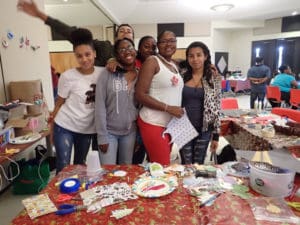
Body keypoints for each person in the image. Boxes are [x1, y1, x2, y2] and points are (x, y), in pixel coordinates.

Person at [49, 28, 103, 173]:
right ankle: (60, 194)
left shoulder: (103, 73)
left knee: (80, 164)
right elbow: (59, 103)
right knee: (63, 164)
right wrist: (52, 127)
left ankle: (75, 193)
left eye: (87, 54)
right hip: (65, 125)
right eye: (79, 56)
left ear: (94, 54)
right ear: (75, 57)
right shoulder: (67, 76)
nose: (84, 59)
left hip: (86, 129)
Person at [17, 0, 134, 66]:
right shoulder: (105, 47)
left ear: (133, 38)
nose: (125, 33)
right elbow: (73, 34)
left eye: (128, 31)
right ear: (116, 36)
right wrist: (40, 15)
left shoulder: (139, 57)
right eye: (121, 31)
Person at [135, 30, 184, 165]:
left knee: (160, 165)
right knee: (162, 167)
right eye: (164, 41)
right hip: (153, 122)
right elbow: (140, 95)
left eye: (172, 40)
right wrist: (168, 108)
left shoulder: (174, 65)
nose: (168, 44)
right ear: (158, 44)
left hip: (171, 125)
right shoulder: (152, 61)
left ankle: (152, 185)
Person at [95, 38, 138, 165]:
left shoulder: (141, 75)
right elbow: (100, 106)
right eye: (122, 49)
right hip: (109, 132)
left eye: (130, 47)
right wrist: (102, 136)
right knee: (108, 171)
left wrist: (138, 137)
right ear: (117, 54)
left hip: (130, 132)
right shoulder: (107, 74)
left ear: (135, 50)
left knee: (126, 169)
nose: (127, 51)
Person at [180, 41, 221, 164]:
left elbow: (217, 107)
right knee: (186, 164)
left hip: (204, 129)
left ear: (206, 56)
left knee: (198, 165)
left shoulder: (214, 78)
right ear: (187, 58)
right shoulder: (181, 76)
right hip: (183, 126)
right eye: (191, 56)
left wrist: (216, 136)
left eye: (199, 55)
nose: (195, 59)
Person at [132, 35, 157, 164]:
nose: (150, 50)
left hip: (153, 115)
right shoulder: (132, 62)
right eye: (146, 46)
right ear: (139, 49)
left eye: (153, 47)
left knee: (153, 157)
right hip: (134, 115)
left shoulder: (158, 62)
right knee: (136, 154)